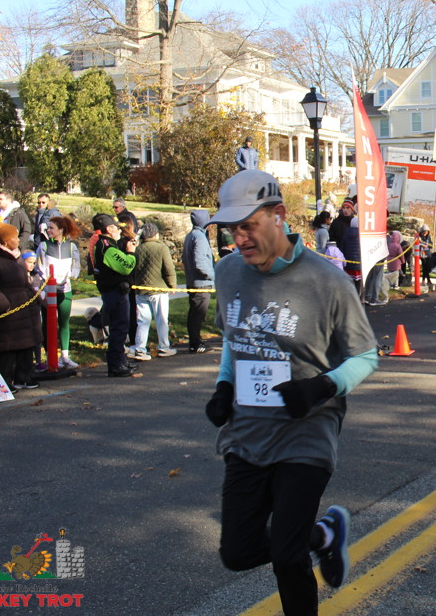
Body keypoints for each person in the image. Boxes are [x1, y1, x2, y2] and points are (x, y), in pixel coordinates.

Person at [204, 168, 378, 614]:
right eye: (232, 229)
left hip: (306, 430)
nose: (240, 239)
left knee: (286, 556)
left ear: (278, 215)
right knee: (237, 552)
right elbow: (235, 337)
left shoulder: (328, 281)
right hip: (247, 432)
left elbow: (365, 356)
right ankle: (322, 535)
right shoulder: (228, 272)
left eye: (249, 225)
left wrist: (322, 386)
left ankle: (304, 547)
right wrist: (224, 385)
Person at [0, 222, 43, 392]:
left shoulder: (15, 255)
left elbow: (23, 281)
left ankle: (24, 377)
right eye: (14, 237)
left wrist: (34, 297)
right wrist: (4, 305)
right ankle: (5, 382)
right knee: (6, 348)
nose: (18, 239)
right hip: (6, 311)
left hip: (24, 309)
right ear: (5, 241)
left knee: (26, 344)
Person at [90, 214, 138, 377]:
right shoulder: (107, 247)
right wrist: (131, 253)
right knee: (119, 327)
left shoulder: (107, 245)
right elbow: (126, 267)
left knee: (120, 327)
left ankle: (121, 360)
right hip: (114, 291)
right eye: (117, 228)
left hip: (114, 290)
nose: (119, 230)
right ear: (109, 229)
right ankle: (116, 364)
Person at [36, 216, 82, 369]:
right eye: (48, 228)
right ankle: (50, 356)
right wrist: (48, 279)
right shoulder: (44, 245)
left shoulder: (71, 246)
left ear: (61, 230)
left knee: (64, 322)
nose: (48, 230)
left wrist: (72, 275)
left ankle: (65, 356)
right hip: (48, 289)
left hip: (65, 289)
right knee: (48, 323)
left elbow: (76, 266)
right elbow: (39, 266)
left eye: (51, 228)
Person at [130, 223, 177, 360]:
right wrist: (172, 285)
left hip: (141, 290)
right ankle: (163, 347)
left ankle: (140, 349)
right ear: (156, 234)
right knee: (161, 320)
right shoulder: (162, 248)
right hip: (158, 289)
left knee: (142, 321)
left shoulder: (138, 249)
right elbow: (168, 268)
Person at [182, 210, 215, 354]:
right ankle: (196, 343)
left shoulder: (191, 235)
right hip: (201, 283)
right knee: (197, 315)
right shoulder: (200, 237)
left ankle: (195, 341)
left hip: (193, 281)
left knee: (194, 313)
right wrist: (213, 275)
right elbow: (200, 262)